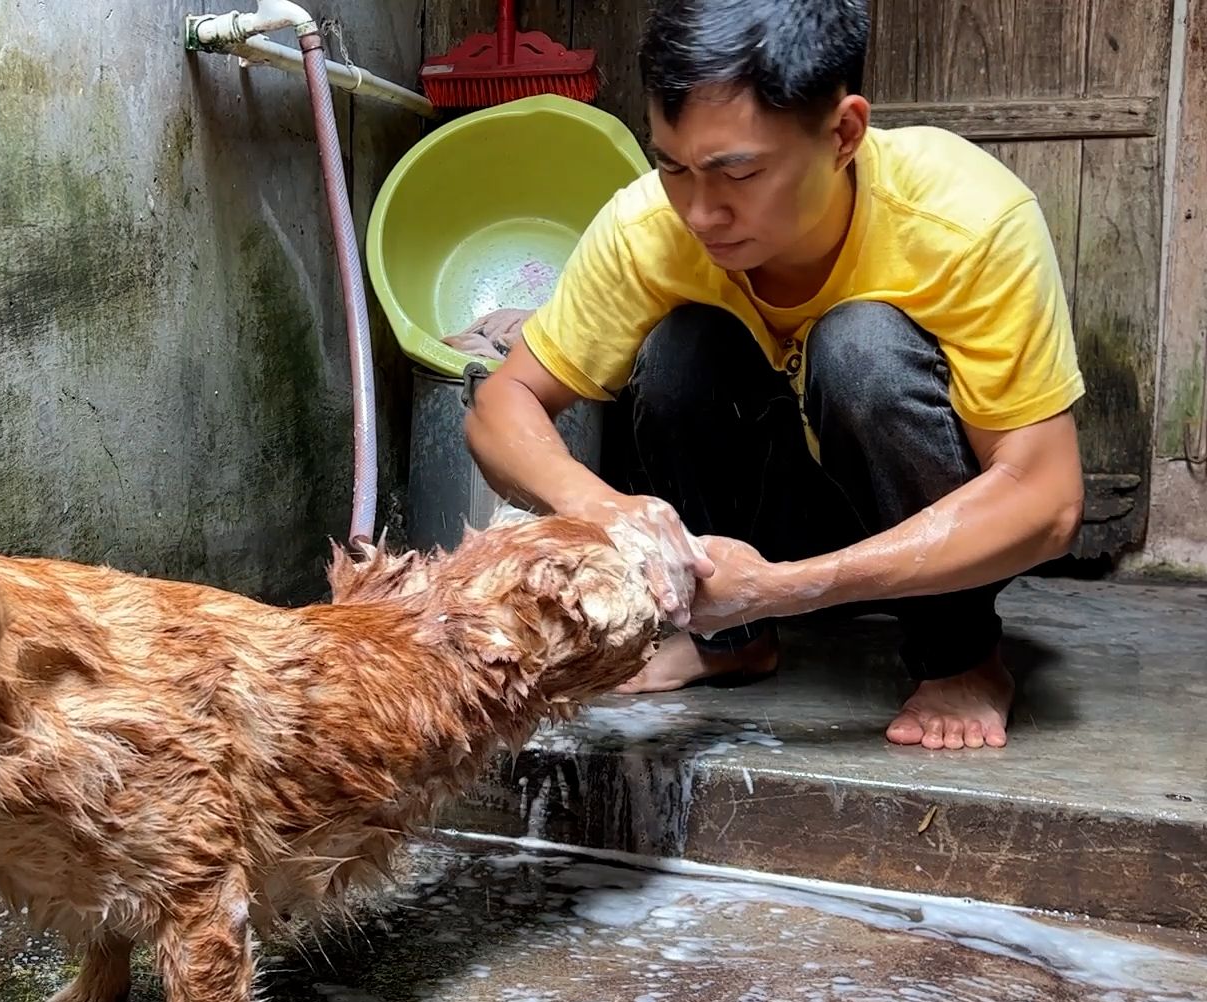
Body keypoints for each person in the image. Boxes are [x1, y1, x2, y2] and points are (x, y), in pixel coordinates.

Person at [463, 0, 1087, 751]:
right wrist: (602, 506)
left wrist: (786, 587)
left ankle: (960, 656)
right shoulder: (648, 229)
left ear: (844, 134)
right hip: (747, 540)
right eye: (671, 166)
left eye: (737, 172)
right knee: (681, 344)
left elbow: (1046, 500)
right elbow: (502, 402)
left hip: (918, 526)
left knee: (861, 348)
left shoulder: (966, 218)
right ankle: (733, 639)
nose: (699, 211)